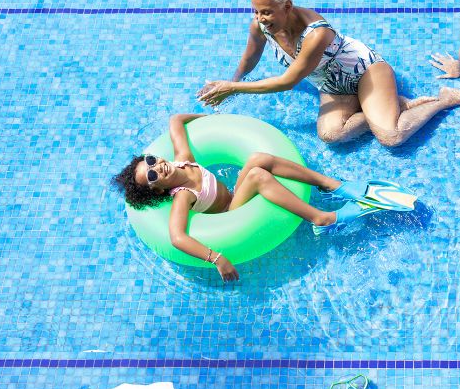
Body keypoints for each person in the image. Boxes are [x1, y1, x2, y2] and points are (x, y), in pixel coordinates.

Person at [197, 0, 460, 147]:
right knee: (331, 136)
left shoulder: (316, 33)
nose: (261, 18)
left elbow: (288, 81)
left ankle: (443, 100)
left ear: (287, 5)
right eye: (256, 11)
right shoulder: (260, 26)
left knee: (391, 137)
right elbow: (250, 57)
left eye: (267, 12)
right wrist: (230, 83)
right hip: (334, 86)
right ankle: (395, 105)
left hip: (366, 72)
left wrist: (233, 88)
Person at [112, 114, 399, 281]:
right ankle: (323, 219)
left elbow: (175, 120)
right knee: (258, 175)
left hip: (235, 196)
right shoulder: (183, 196)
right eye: (152, 176)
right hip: (230, 214)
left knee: (258, 158)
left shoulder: (184, 159)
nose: (157, 167)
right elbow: (177, 237)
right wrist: (217, 259)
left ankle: (332, 185)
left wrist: (214, 121)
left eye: (151, 161)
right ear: (158, 190)